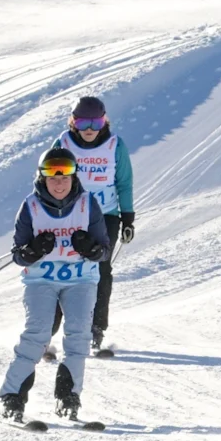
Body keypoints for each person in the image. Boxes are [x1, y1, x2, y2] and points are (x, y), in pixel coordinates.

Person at [0, 146, 110, 423]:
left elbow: (104, 250)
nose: (59, 183)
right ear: (42, 178)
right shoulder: (31, 206)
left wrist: (91, 249)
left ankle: (68, 397)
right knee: (36, 335)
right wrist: (32, 251)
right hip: (41, 280)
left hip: (81, 279)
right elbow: (17, 253)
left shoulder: (87, 203)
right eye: (52, 177)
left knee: (78, 336)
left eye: (64, 177)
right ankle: (12, 398)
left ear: (74, 177)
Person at [60, 96, 135, 355]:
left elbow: (124, 182)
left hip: (106, 216)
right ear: (73, 122)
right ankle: (55, 331)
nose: (89, 129)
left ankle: (96, 328)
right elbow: (46, 175)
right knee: (64, 268)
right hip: (69, 215)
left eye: (96, 122)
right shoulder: (64, 143)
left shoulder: (115, 145)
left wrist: (128, 216)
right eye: (82, 122)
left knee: (100, 269)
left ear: (104, 121)